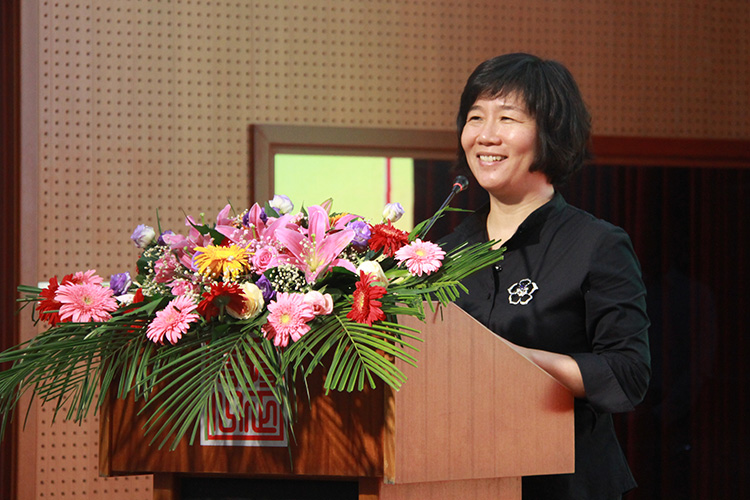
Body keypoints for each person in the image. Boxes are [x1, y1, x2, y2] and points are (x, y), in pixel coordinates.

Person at [440, 53, 651, 499]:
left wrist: (513, 360)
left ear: (550, 132)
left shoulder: (596, 244)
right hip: (456, 476)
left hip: (565, 482)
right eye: (475, 117)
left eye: (507, 118)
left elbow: (628, 373)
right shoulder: (442, 254)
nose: (486, 135)